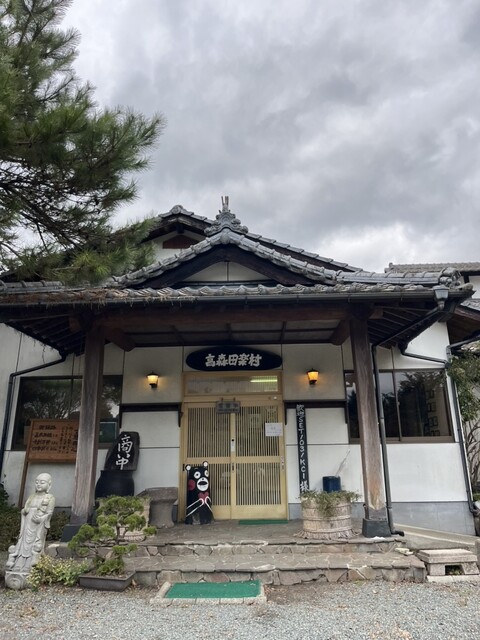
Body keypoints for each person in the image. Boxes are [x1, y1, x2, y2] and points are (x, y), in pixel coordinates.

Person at [6, 473, 55, 573]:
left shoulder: (50, 498)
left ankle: (31, 562)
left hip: (38, 525)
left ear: (49, 485)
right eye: (37, 482)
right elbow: (25, 510)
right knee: (23, 543)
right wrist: (24, 512)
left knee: (36, 543)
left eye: (42, 482)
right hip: (27, 523)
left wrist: (41, 519)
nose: (38, 484)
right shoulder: (31, 497)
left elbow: (49, 513)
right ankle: (19, 562)